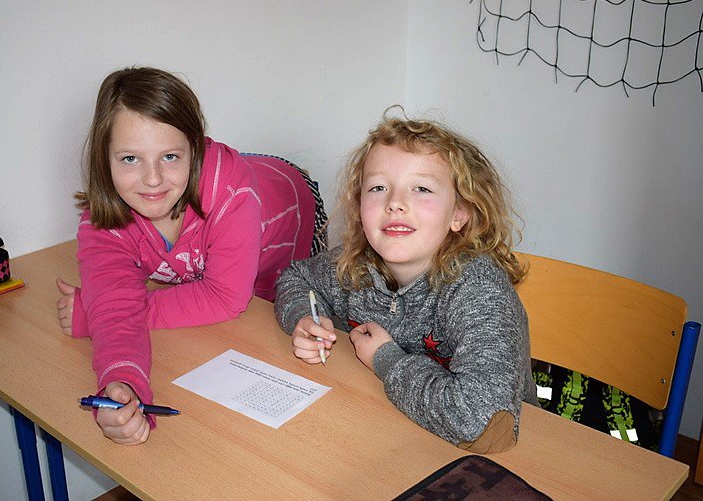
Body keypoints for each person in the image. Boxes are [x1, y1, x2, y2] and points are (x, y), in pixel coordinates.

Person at [55, 67, 327, 445]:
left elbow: (226, 297)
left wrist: (99, 312)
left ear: (194, 150)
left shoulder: (231, 192)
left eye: (169, 156)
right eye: (130, 159)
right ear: (105, 159)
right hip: (227, 218)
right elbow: (119, 304)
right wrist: (122, 382)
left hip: (286, 207)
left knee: (271, 322)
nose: (152, 179)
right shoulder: (102, 223)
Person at [274, 111, 537, 454]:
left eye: (421, 188)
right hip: (384, 430)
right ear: (360, 207)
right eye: (378, 188)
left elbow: (479, 421)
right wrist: (305, 319)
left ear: (459, 213)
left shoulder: (478, 290)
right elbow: (297, 278)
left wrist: (386, 359)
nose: (395, 203)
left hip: (497, 456)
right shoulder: (356, 263)